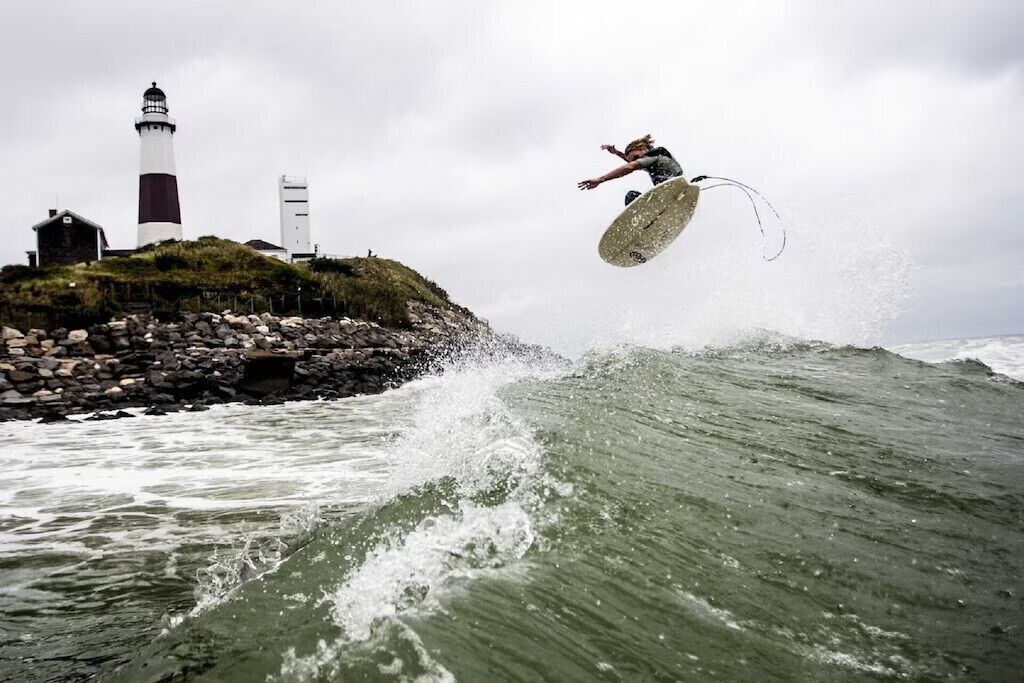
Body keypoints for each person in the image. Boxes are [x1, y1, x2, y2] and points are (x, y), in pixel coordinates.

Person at [577, 134, 684, 205]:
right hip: (673, 192)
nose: (634, 161)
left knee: (631, 196)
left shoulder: (653, 158)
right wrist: (617, 153)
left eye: (635, 158)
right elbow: (631, 163)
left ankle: (641, 224)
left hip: (671, 191)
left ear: (644, 149)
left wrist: (600, 179)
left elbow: (630, 167)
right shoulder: (658, 159)